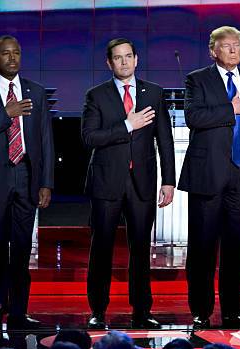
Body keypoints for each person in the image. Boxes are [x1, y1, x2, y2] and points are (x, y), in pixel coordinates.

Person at [179, 25, 240, 329]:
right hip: (208, 175)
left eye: (237, 46)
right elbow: (194, 118)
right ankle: (201, 310)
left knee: (236, 248)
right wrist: (230, 109)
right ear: (213, 50)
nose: (233, 51)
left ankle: (233, 308)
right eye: (227, 46)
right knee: (203, 246)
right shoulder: (197, 79)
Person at [81, 38, 176, 329]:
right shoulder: (97, 96)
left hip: (142, 183)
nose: (124, 62)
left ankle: (142, 310)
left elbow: (165, 139)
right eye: (117, 58)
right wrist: (126, 125)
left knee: (140, 248)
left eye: (128, 56)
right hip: (107, 182)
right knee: (102, 249)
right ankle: (98, 309)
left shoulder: (154, 93)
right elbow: (90, 137)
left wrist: (169, 180)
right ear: (109, 63)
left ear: (137, 59)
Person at [0, 35, 54, 330]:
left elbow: (45, 140)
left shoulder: (36, 92)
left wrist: (46, 182)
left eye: (16, 52)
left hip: (27, 177)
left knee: (21, 249)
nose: (12, 58)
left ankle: (18, 312)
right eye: (6, 53)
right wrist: (6, 114)